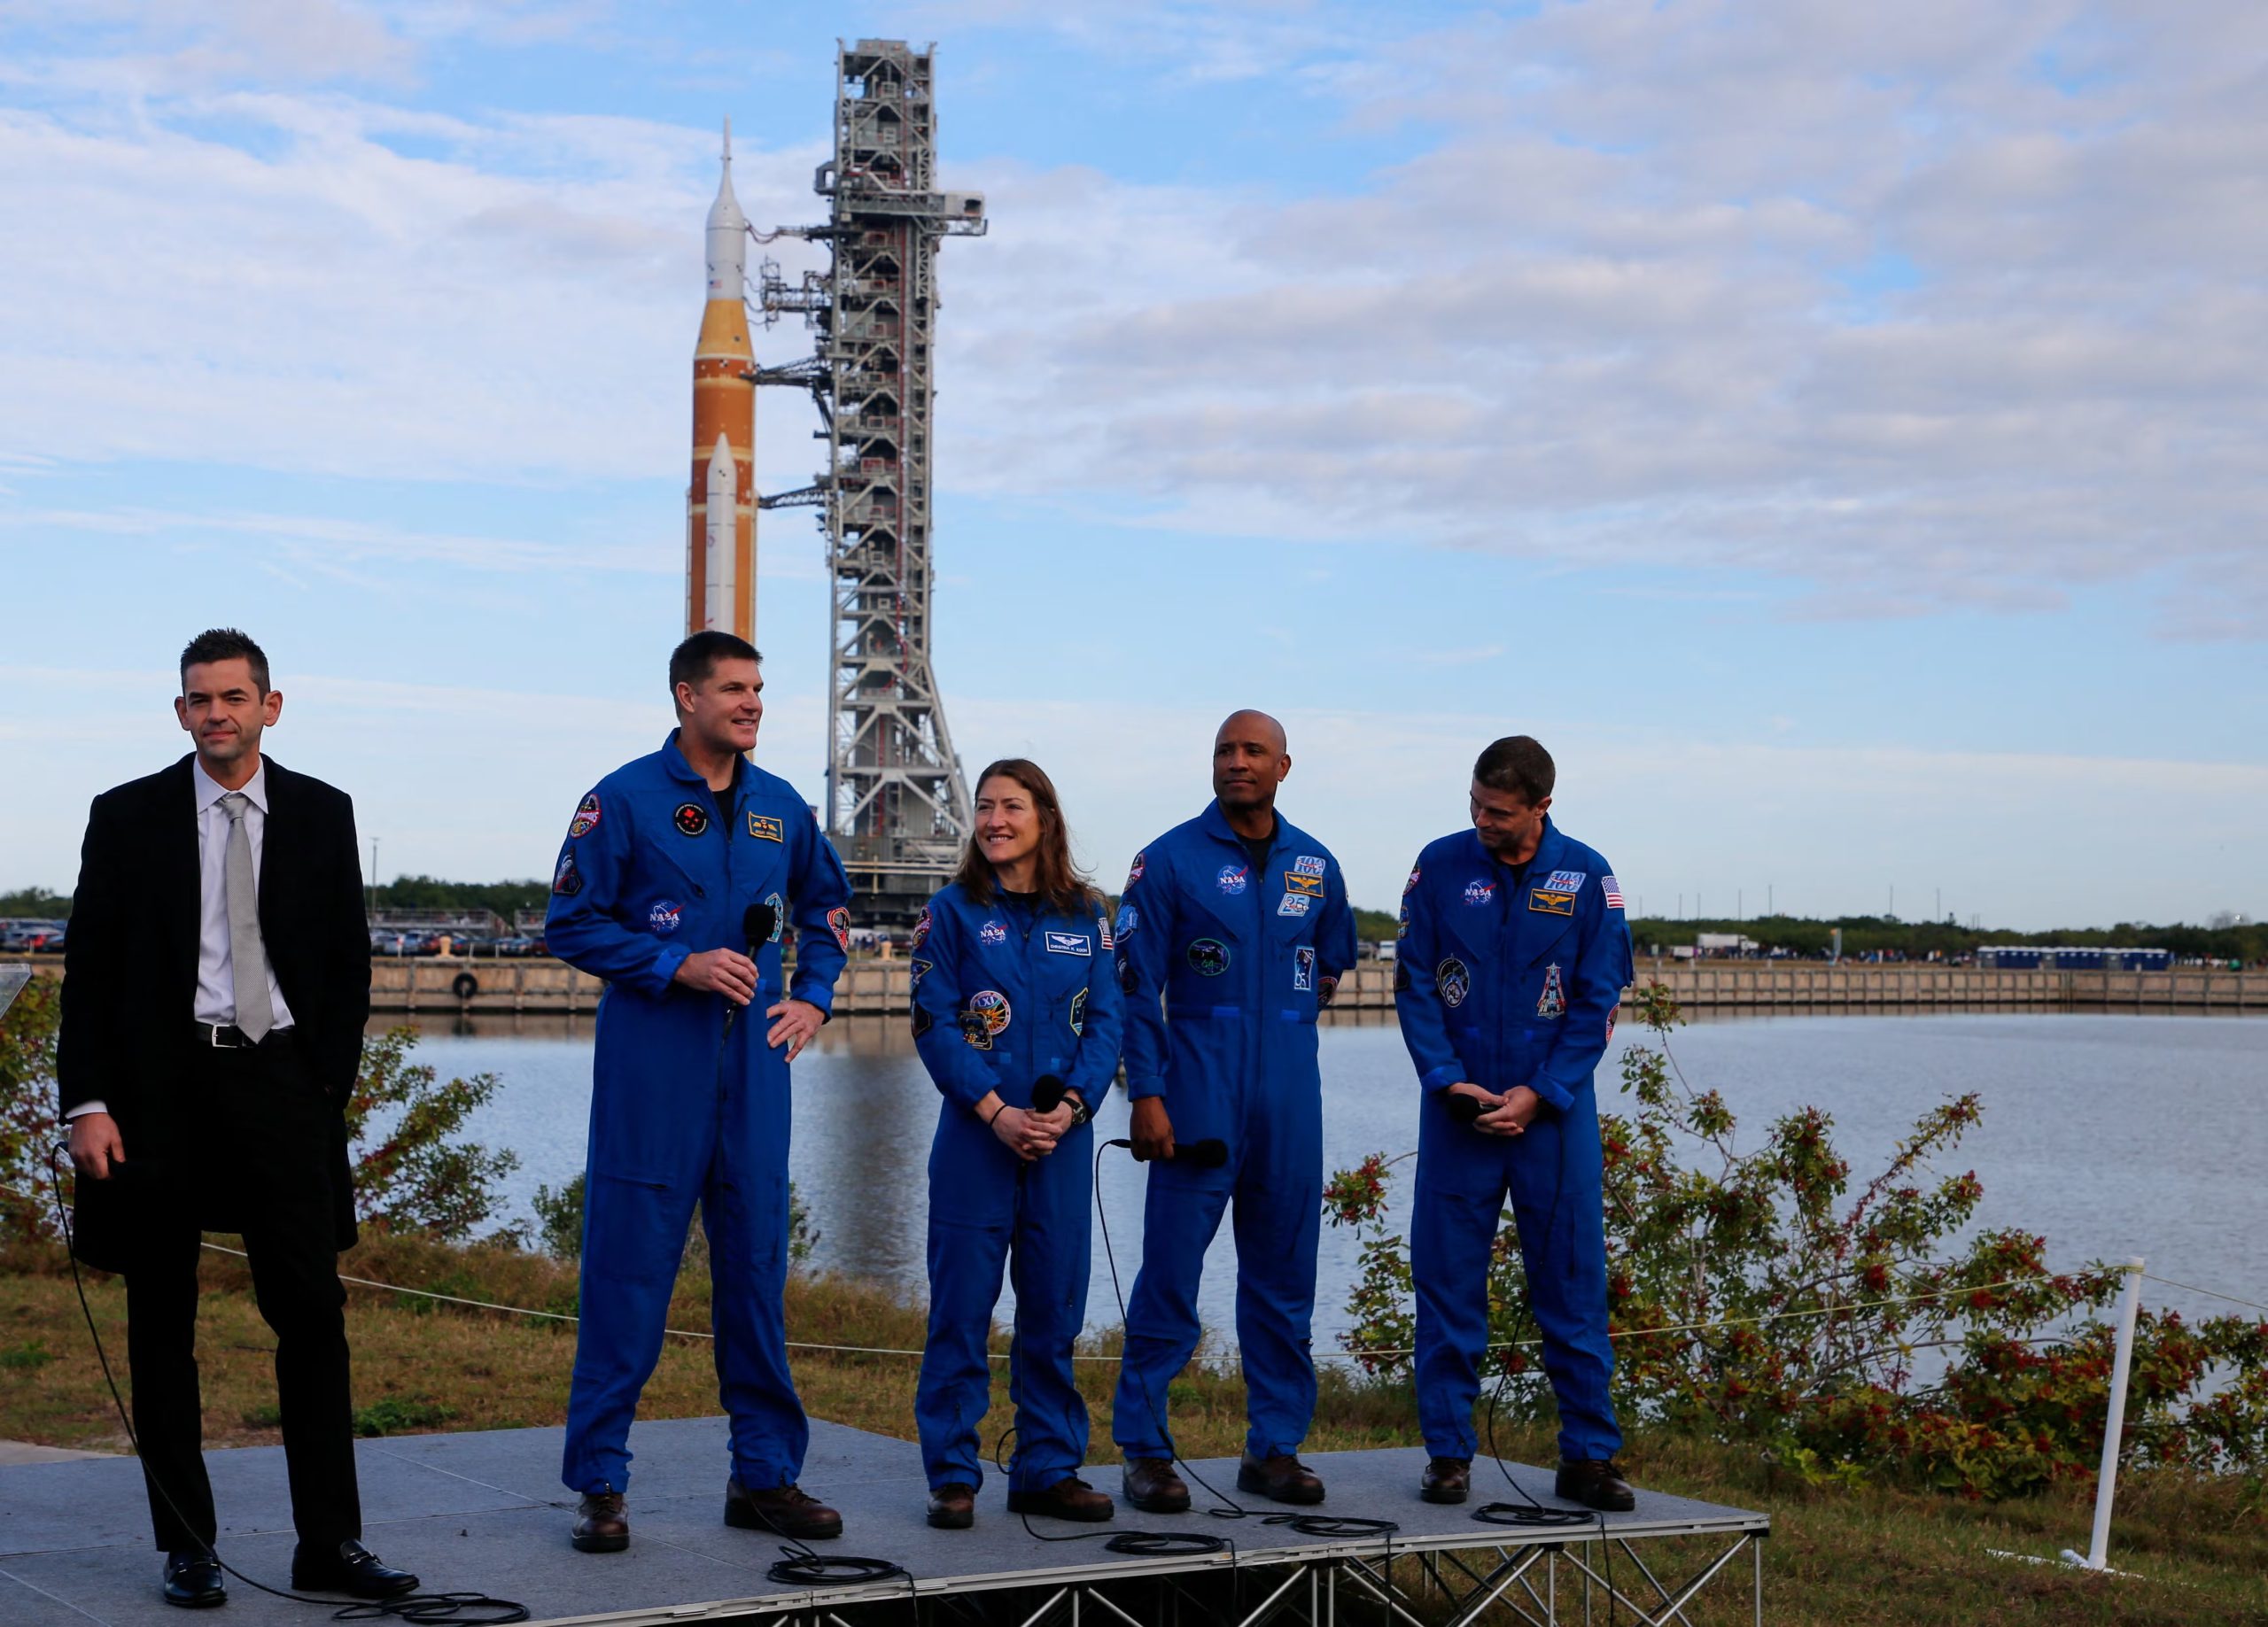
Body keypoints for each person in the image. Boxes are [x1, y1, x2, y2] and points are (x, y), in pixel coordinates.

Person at [58, 629, 419, 1608]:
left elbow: (348, 962)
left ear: (271, 704)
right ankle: (187, 1546)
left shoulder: (320, 812)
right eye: (197, 699)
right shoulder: (127, 815)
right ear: (181, 712)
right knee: (158, 1320)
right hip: (156, 1094)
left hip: (280, 1088)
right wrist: (84, 1103)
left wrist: (320, 1085)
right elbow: (87, 971)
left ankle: (331, 1543)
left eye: (232, 696)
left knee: (312, 1317)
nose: (215, 712)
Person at [547, 631, 853, 1551]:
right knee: (627, 1278)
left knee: (756, 1275)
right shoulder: (623, 800)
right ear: (686, 696)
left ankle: (762, 1476)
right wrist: (671, 964)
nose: (752, 703)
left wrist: (813, 997)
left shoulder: (780, 807)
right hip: (653, 1071)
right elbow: (569, 922)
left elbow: (828, 912)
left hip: (755, 1077)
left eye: (758, 688)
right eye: (733, 688)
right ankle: (601, 1482)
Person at [1109, 710, 1357, 1510]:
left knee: (1285, 1282)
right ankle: (1145, 1450)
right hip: (1195, 1103)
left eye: (1253, 751)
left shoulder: (1316, 865)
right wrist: (1147, 1091)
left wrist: (1276, 1045)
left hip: (1289, 1105)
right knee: (1171, 1280)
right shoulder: (1170, 860)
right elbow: (1133, 988)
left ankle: (1274, 1449)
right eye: (1224, 750)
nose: (1236, 762)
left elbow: (1331, 965)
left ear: (1286, 766)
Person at [1394, 735, 1638, 1512]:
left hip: (1551, 1119)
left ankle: (1589, 1455)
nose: (1481, 820)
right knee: (1446, 1282)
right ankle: (1447, 1452)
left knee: (1572, 1283)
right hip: (1459, 1109)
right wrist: (1444, 1078)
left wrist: (1544, 1091)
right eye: (1474, 804)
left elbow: (1600, 1000)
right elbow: (1414, 984)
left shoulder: (1588, 876)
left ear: (1541, 806)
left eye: (1498, 811)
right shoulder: (1439, 866)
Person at [908, 760, 1125, 1530]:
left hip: (1060, 1143)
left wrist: (1070, 1106)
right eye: (985, 806)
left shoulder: (1088, 916)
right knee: (962, 1311)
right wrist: (996, 1110)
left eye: (1012, 805)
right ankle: (954, 1473)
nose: (995, 819)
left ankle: (1047, 1466)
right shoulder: (952, 912)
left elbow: (1107, 1023)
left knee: (1054, 1311)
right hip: (978, 1140)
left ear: (1045, 818)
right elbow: (933, 1024)